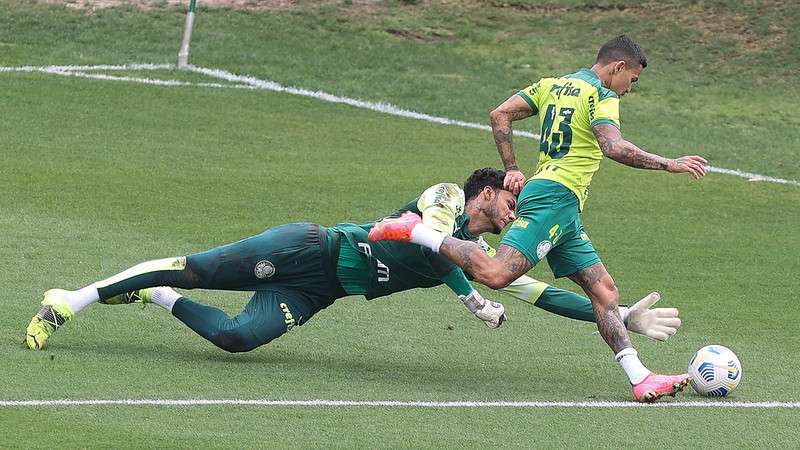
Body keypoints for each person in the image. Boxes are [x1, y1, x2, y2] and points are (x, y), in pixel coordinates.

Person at [369, 36, 703, 402]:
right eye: (633, 81)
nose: (629, 89)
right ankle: (417, 231)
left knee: (605, 292)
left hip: (565, 205)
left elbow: (500, 114)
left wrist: (512, 167)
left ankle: (640, 379)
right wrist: (670, 164)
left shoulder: (551, 85)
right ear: (618, 67)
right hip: (554, 196)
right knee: (497, 274)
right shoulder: (601, 96)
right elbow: (613, 147)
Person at [25, 169, 680, 353]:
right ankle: (70, 300)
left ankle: (156, 299)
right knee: (195, 267)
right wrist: (468, 294)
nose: (519, 213)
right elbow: (428, 236)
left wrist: (612, 309)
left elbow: (537, 294)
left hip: (321, 292)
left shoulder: (484, 256)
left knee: (235, 337)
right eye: (512, 202)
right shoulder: (447, 197)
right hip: (309, 247)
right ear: (486, 194)